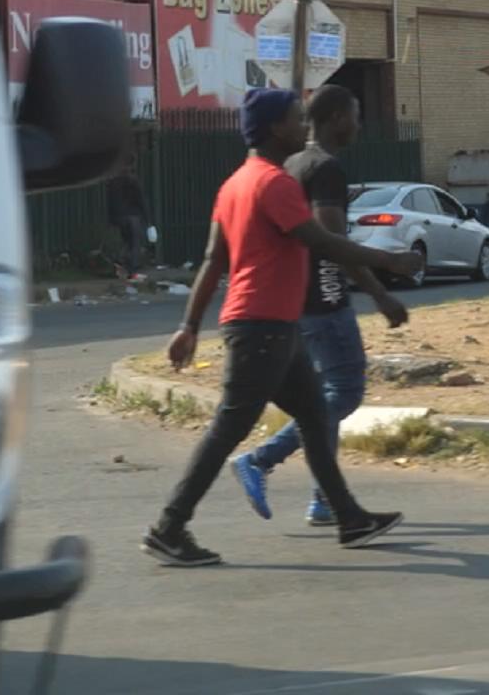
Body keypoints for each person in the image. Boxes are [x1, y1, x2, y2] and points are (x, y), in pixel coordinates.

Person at [144, 89, 423, 567]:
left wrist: (189, 324)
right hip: (262, 326)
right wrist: (391, 262)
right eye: (297, 119)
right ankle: (169, 527)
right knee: (229, 428)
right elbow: (320, 240)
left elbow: (214, 260)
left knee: (315, 416)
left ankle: (349, 518)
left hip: (273, 326)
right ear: (276, 128)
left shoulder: (235, 183)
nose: (304, 127)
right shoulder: (273, 184)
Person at [231, 86, 410, 526]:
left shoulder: (291, 163)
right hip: (324, 299)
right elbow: (334, 243)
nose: (360, 124)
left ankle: (323, 499)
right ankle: (261, 458)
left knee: (319, 396)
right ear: (334, 119)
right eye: (355, 114)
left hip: (294, 298)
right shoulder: (326, 168)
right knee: (344, 391)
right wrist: (380, 292)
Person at [106, 153, 149, 278]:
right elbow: (141, 200)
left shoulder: (113, 182)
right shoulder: (132, 180)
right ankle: (131, 270)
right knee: (134, 243)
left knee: (126, 242)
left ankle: (121, 265)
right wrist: (147, 218)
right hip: (133, 216)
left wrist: (111, 219)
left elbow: (110, 202)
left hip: (119, 217)